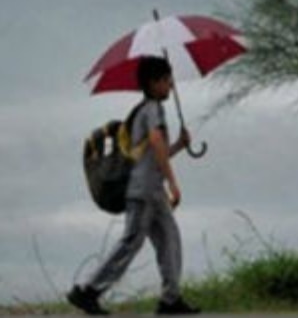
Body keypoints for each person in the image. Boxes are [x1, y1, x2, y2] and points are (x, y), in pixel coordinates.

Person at [68, 55, 200, 315]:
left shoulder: (144, 110)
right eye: (166, 80)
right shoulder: (153, 109)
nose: (171, 86)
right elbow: (156, 142)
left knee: (169, 239)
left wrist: (180, 146)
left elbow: (154, 155)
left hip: (152, 192)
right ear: (153, 83)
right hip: (143, 192)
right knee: (131, 242)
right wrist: (173, 182)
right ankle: (87, 291)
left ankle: (170, 300)